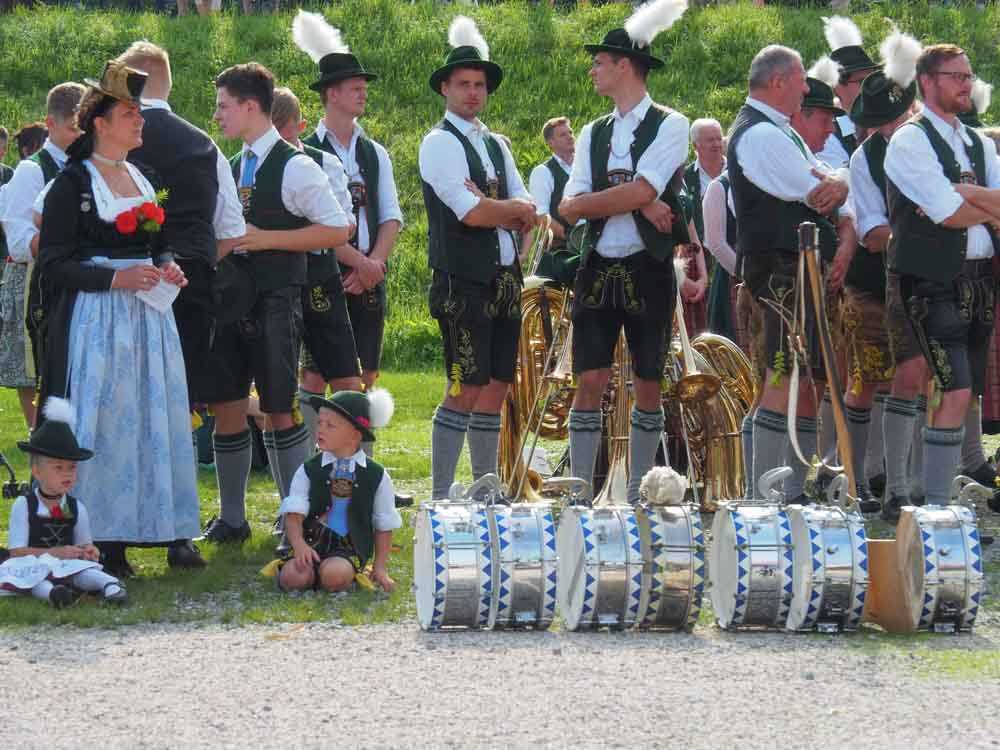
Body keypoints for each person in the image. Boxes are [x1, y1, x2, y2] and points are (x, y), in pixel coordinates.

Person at [35, 62, 201, 578]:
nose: (140, 121)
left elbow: (156, 242)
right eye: (130, 113)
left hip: (148, 320)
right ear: (100, 123)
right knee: (105, 420)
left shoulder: (139, 178)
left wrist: (166, 262)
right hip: (99, 321)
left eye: (139, 112)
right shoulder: (71, 184)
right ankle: (106, 537)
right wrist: (114, 280)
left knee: (160, 414)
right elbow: (53, 262)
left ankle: (173, 530)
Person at [198, 62, 352, 545]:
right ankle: (232, 519)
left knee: (280, 409)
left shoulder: (297, 165)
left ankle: (295, 525)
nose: (217, 114)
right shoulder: (229, 162)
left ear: (250, 106)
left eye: (224, 105)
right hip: (230, 303)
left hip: (276, 302)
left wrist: (266, 239)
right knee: (226, 404)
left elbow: (336, 229)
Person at [559, 0, 691, 503]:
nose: (593, 69)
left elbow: (634, 191)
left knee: (649, 380)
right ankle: (578, 491)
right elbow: (569, 206)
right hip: (598, 265)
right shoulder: (593, 131)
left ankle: (637, 490)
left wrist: (631, 197)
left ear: (623, 66)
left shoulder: (671, 123)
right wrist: (638, 198)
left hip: (648, 266)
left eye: (599, 62)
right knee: (587, 379)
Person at [419, 16, 538, 500]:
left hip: (505, 279)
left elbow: (530, 211)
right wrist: (503, 210)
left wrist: (504, 211)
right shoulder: (438, 142)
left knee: (496, 387)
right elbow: (469, 213)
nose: (473, 92)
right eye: (464, 84)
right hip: (462, 280)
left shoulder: (495, 144)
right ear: (445, 88)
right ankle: (443, 491)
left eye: (480, 85)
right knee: (463, 385)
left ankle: (486, 486)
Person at [726, 45, 851, 501]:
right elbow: (816, 189)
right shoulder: (760, 135)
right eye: (800, 81)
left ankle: (792, 490)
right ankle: (762, 494)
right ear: (779, 82)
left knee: (804, 378)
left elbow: (833, 186)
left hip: (795, 270)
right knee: (781, 378)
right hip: (778, 271)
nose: (805, 89)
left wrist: (841, 183)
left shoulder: (778, 131)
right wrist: (837, 184)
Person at [884, 44, 1000, 514]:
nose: (967, 84)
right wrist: (983, 205)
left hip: (979, 280)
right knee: (951, 389)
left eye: (969, 76)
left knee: (965, 390)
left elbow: (961, 203)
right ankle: (935, 507)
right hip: (931, 280)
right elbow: (947, 214)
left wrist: (968, 192)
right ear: (928, 81)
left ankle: (941, 498)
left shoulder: (980, 143)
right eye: (957, 76)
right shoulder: (909, 141)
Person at [117, 41, 246, 422]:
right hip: (192, 290)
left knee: (129, 406)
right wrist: (194, 264)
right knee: (178, 403)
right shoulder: (206, 147)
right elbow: (232, 229)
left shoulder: (112, 141)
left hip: (126, 286)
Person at [295, 11, 405, 429]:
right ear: (332, 94)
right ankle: (313, 457)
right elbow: (310, 222)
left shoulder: (374, 152)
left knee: (367, 372)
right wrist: (358, 262)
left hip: (369, 271)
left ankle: (359, 464)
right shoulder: (304, 151)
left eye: (362, 87)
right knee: (317, 372)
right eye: (354, 87)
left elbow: (390, 217)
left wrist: (372, 264)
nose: (362, 93)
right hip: (325, 271)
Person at [842, 31, 929, 519]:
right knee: (871, 378)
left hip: (929, 275)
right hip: (878, 281)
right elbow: (872, 230)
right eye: (881, 123)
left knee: (922, 380)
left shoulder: (931, 139)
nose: (887, 129)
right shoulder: (864, 157)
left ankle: (910, 480)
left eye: (892, 119)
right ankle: (866, 476)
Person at [270, 83, 357, 465]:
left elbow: (347, 224)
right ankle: (303, 473)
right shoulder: (247, 163)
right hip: (273, 283)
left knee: (347, 380)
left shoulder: (324, 163)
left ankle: (357, 474)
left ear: (299, 127)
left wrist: (301, 227)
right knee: (278, 390)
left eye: (284, 132)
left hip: (320, 278)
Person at [1, 83, 85, 431]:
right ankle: (45, 445)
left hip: (78, 280)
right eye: (72, 128)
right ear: (50, 124)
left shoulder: (91, 163)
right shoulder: (32, 170)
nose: (80, 135)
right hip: (35, 283)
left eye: (85, 127)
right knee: (36, 373)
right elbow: (18, 240)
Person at [0, 397, 127, 607]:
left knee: (84, 571)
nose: (67, 474)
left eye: (72, 467)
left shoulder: (76, 508)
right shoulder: (24, 505)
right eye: (58, 468)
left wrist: (88, 551)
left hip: (66, 565)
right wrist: (55, 553)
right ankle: (54, 594)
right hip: (32, 564)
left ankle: (112, 586)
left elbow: (84, 542)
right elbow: (17, 552)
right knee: (32, 575)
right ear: (37, 471)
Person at [276, 389, 400, 593]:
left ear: (355, 435)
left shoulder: (376, 475)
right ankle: (310, 573)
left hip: (346, 548)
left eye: (330, 425)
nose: (320, 430)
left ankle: (337, 575)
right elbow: (294, 515)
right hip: (308, 541)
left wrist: (380, 568)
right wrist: (298, 546)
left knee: (335, 575)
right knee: (292, 578)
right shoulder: (308, 470)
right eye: (319, 423)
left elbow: (384, 524)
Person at [524, 115, 582, 285]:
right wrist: (572, 238)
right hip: (563, 250)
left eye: (570, 132)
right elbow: (541, 217)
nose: (570, 136)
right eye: (563, 134)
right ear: (550, 143)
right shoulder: (542, 172)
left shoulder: (585, 168)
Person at [817, 16, 880, 167]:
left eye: (873, 78)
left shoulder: (888, 115)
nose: (871, 86)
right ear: (837, 86)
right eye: (861, 81)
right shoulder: (827, 133)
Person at [684, 117, 725, 243]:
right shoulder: (684, 178)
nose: (717, 144)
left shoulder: (738, 171)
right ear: (695, 145)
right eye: (710, 140)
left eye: (719, 139)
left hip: (736, 250)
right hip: (701, 252)